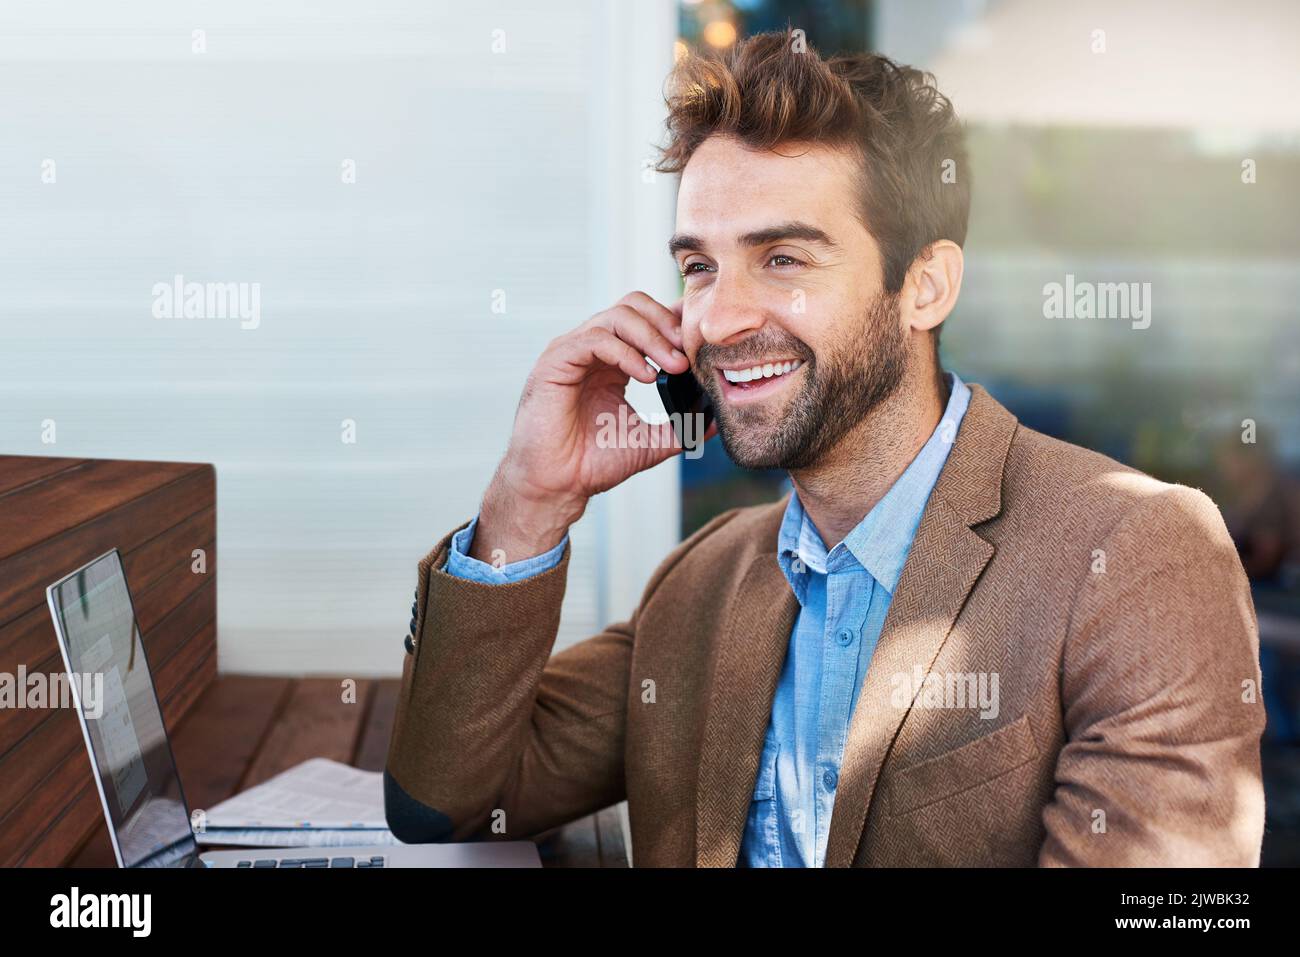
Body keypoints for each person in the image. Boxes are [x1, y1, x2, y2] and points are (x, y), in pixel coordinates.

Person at [385, 29, 1265, 867]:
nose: (718, 320)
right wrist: (529, 497)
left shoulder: (1137, 553)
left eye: (783, 260)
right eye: (699, 266)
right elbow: (446, 798)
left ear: (925, 287)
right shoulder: (699, 585)